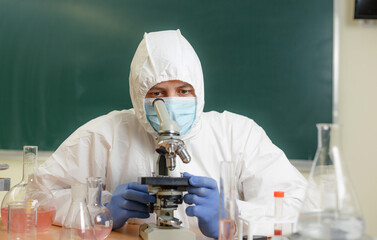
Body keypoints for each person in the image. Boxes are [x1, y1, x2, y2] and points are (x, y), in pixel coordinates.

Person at [37, 29, 307, 238]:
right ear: (138, 95)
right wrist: (101, 210)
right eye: (157, 94)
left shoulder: (238, 135)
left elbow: (296, 205)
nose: (171, 103)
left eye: (183, 91)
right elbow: (38, 195)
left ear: (198, 91)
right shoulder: (104, 135)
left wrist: (234, 218)